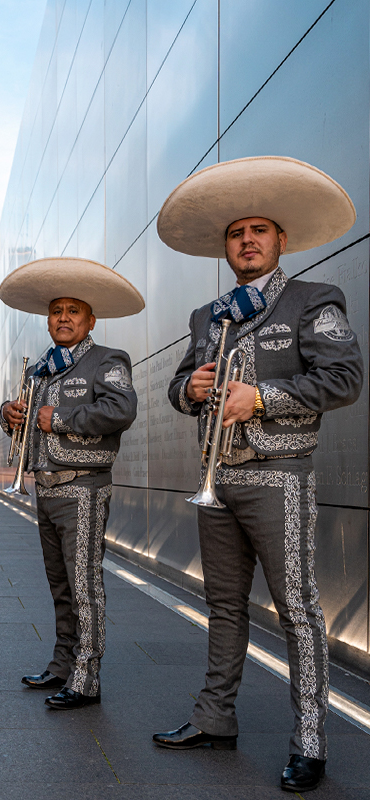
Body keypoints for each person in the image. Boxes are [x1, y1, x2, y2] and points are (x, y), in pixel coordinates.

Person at [153, 157, 363, 793]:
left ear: (281, 242)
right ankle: (215, 718)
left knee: (298, 610)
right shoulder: (206, 316)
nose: (247, 240)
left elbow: (344, 379)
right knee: (222, 605)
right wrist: (188, 387)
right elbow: (176, 390)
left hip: (279, 476)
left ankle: (310, 742)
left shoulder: (312, 300)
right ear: (226, 247)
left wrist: (262, 398)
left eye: (260, 231)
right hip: (215, 481)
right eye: (237, 233)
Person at [0, 257, 143, 710]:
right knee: (59, 584)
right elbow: (30, 427)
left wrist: (56, 418)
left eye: (73, 311)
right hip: (46, 488)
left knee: (84, 585)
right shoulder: (41, 369)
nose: (63, 317)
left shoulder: (108, 360)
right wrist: (10, 416)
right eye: (56, 311)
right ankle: (62, 664)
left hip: (84, 486)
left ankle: (87, 676)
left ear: (90, 320)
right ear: (47, 321)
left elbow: (121, 411)